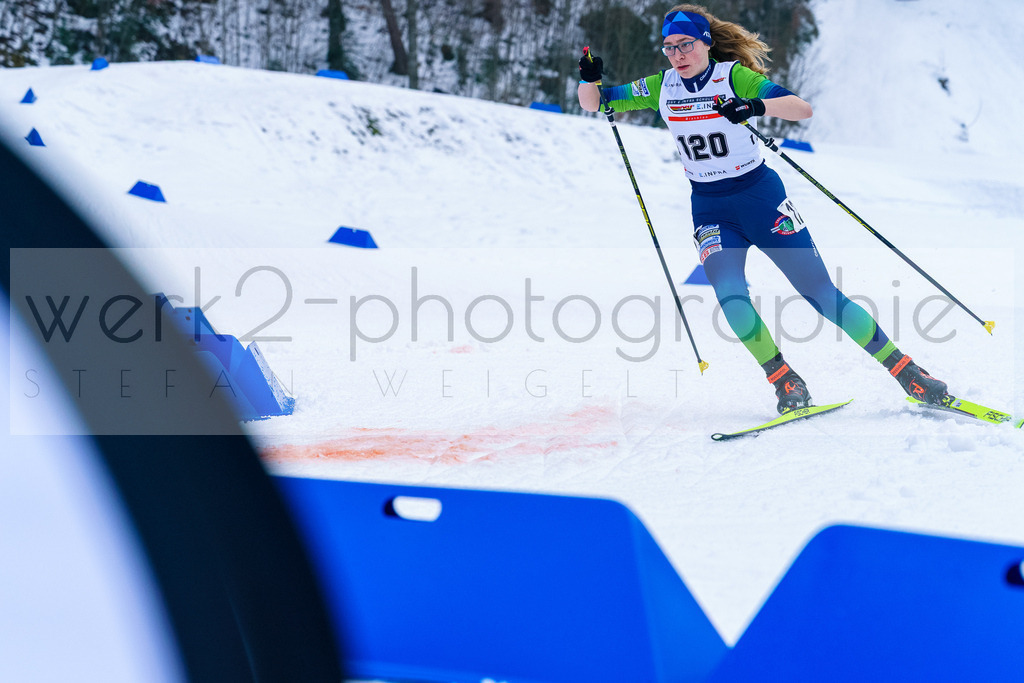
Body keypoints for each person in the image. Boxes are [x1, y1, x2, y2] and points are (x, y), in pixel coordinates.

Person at [577, 3, 949, 414]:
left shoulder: (732, 76)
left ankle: (908, 372)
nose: (677, 54)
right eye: (669, 47)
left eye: (685, 44)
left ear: (705, 42)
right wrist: (589, 79)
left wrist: (754, 106)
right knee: (730, 296)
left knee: (820, 294)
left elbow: (801, 108)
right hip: (711, 210)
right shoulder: (661, 86)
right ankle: (785, 380)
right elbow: (595, 103)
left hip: (761, 200)